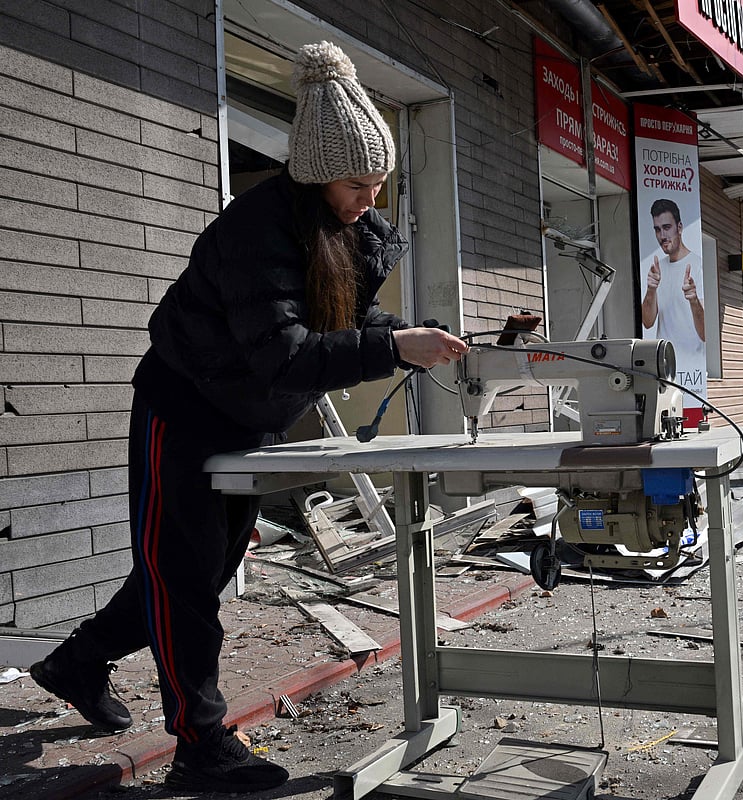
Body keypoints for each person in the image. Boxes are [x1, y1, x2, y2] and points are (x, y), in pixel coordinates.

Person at [28, 41, 466, 794]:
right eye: (359, 184)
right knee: (183, 581)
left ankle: (75, 662)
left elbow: (336, 322)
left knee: (196, 573)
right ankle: (201, 744)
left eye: (380, 183)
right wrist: (393, 346)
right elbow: (285, 352)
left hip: (245, 416)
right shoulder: (254, 231)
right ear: (317, 172)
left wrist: (408, 335)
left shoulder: (340, 228)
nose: (372, 198)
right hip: (184, 409)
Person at [641, 198, 705, 361]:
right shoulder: (657, 269)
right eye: (657, 229)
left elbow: (705, 333)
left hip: (692, 366)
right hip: (664, 364)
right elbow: (647, 322)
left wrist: (694, 301)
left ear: (680, 227)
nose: (662, 236)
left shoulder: (698, 265)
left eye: (667, 227)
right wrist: (651, 290)